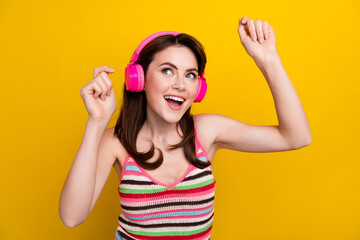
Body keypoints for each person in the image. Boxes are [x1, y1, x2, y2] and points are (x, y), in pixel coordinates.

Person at [59, 16, 311, 240]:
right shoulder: (117, 141)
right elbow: (71, 217)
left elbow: (296, 137)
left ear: (198, 89)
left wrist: (268, 59)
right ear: (139, 79)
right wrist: (97, 122)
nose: (180, 84)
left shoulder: (208, 131)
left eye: (190, 75)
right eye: (168, 71)